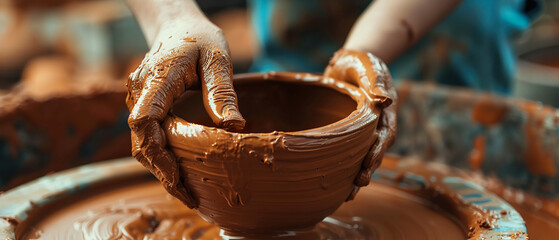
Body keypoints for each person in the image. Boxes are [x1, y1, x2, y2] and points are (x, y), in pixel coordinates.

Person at [124, 0, 539, 208]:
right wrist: (172, 19)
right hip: (295, 28)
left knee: (457, 181)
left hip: (437, 32)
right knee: (266, 142)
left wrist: (366, 49)